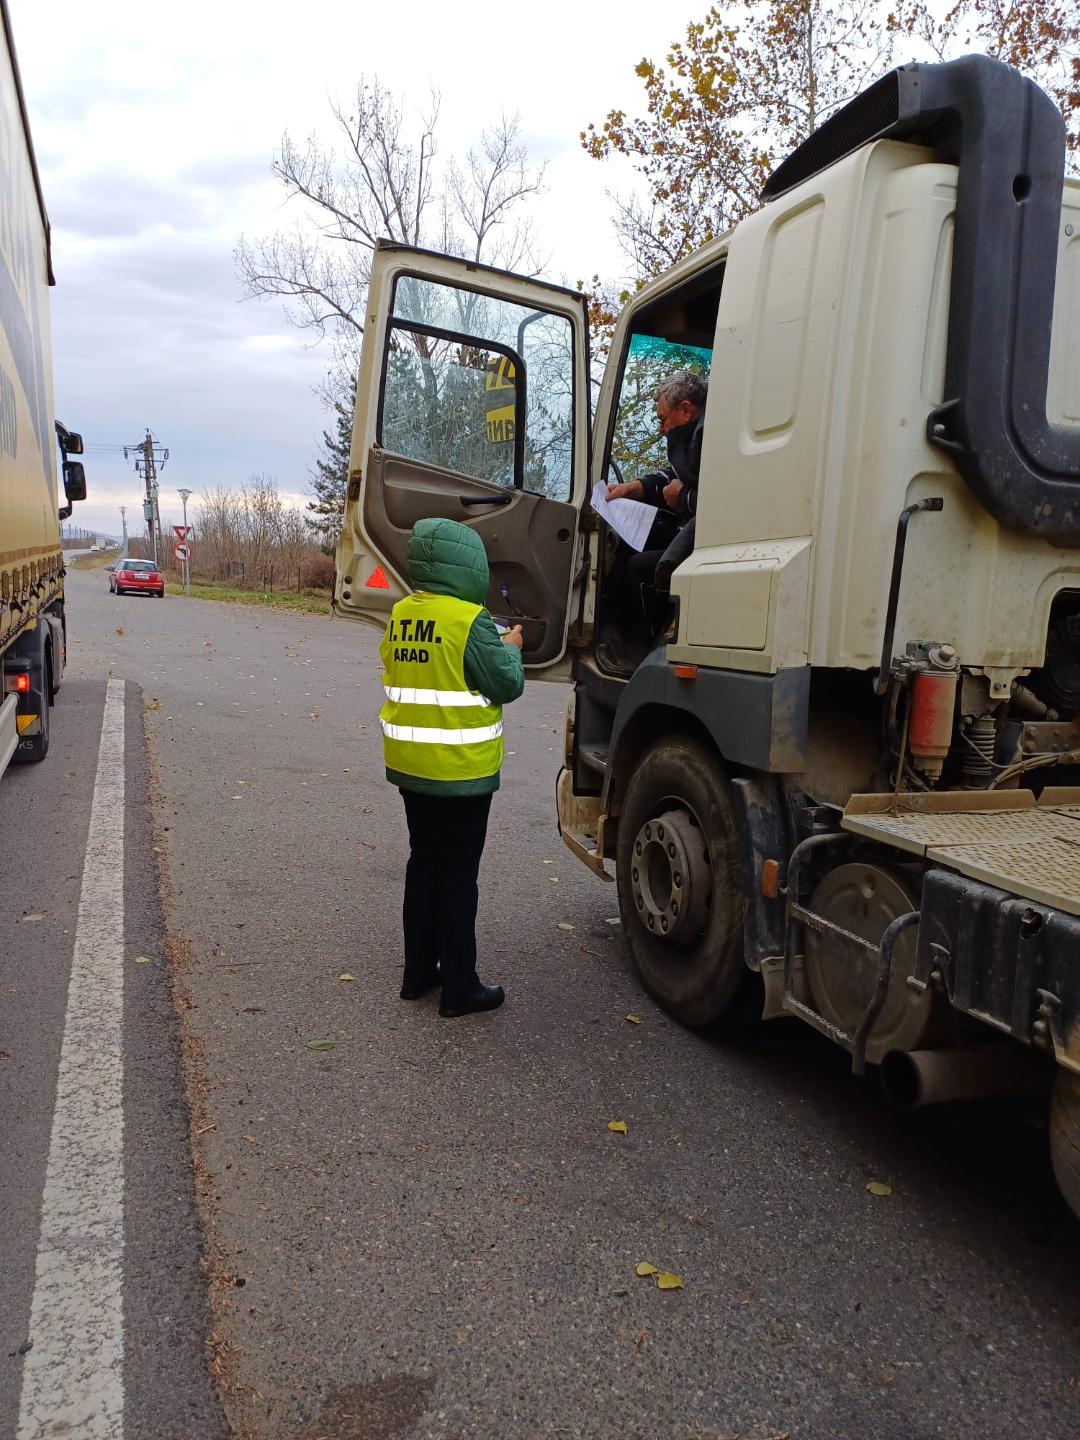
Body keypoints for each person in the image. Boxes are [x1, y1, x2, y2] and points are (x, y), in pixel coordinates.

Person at [379, 518, 524, 1018]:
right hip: (460, 772)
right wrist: (513, 648)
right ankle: (461, 987)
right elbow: (505, 683)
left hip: (411, 765)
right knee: (459, 874)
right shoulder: (470, 620)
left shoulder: (400, 613)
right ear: (469, 565)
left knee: (424, 863)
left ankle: (417, 974)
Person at [606, 371, 707, 603]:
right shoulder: (695, 436)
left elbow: (722, 499)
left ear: (685, 410)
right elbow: (678, 475)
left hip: (703, 541)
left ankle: (646, 637)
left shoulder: (705, 437)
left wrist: (682, 496)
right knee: (628, 546)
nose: (661, 429)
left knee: (637, 567)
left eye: (663, 419)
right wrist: (633, 488)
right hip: (690, 530)